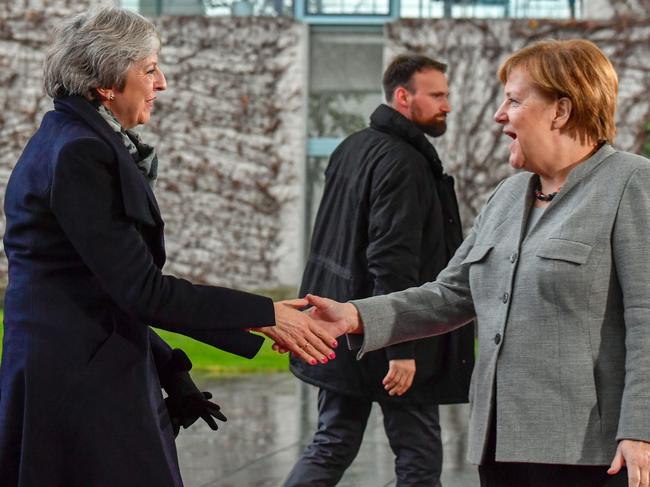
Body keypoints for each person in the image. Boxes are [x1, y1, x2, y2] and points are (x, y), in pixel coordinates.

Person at [0, 8, 340, 487]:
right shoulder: (81, 151)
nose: (162, 83)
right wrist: (266, 314)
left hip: (80, 375)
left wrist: (168, 369)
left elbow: (98, 289)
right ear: (107, 82)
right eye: (150, 68)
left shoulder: (71, 139)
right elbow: (141, 290)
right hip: (79, 391)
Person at [306, 39, 650, 487]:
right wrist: (353, 315)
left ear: (561, 110)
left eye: (513, 100)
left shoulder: (632, 183)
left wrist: (640, 430)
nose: (499, 115)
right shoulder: (508, 195)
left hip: (592, 455)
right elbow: (451, 294)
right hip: (499, 445)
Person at [283, 54, 474, 487]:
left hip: (344, 329)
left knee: (332, 443)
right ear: (403, 97)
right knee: (419, 457)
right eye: (438, 95)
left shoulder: (354, 146)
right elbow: (392, 258)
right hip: (390, 340)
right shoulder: (405, 163)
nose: (448, 105)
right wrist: (400, 349)